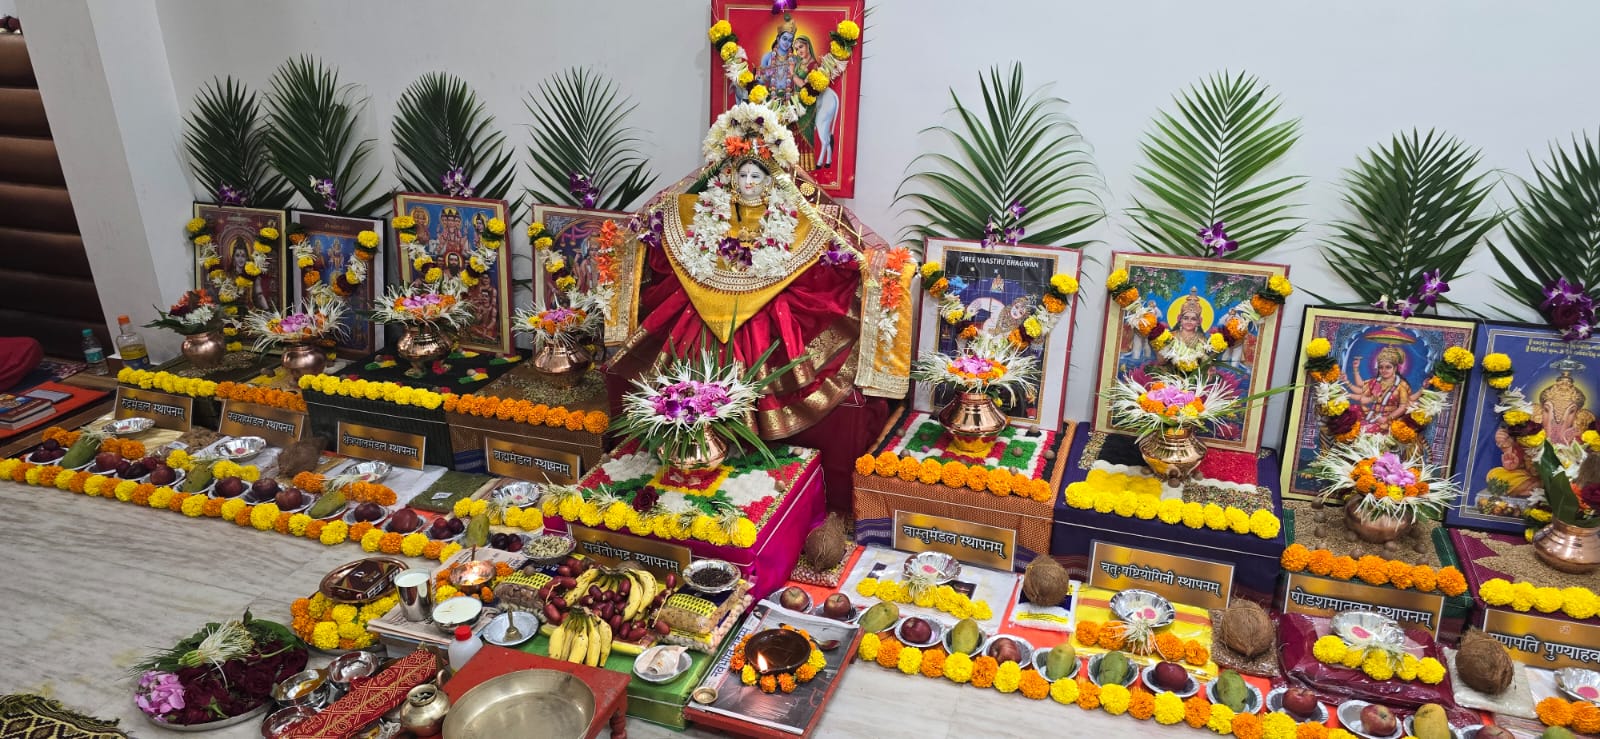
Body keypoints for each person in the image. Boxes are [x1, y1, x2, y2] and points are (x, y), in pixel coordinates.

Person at [1346, 345, 1412, 433]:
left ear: (1395, 368)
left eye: (1388, 367)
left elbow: (1402, 407)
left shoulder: (1401, 385)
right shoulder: (1375, 381)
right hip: (1372, 414)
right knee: (1350, 412)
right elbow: (1360, 386)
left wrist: (1387, 418)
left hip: (1388, 419)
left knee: (1362, 430)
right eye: (1381, 367)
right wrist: (1355, 369)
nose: (1384, 370)